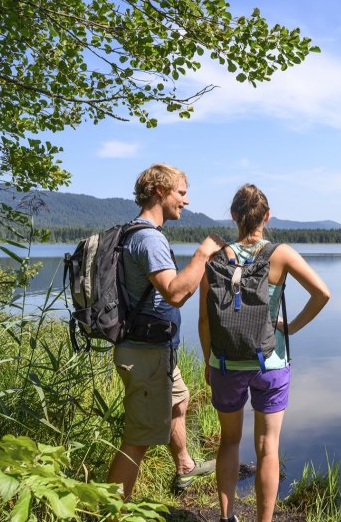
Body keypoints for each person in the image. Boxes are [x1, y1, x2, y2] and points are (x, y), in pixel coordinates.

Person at [198, 184, 330, 522]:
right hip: (270, 362)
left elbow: (204, 320)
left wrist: (208, 361)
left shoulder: (213, 255)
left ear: (233, 216)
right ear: (267, 217)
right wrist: (291, 327)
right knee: (268, 447)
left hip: (225, 361)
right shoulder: (280, 254)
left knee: (229, 442)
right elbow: (322, 294)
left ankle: (227, 517)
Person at [107, 163, 224, 499]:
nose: (185, 201)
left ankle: (184, 465)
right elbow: (174, 292)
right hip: (145, 356)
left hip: (155, 351)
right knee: (138, 440)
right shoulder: (148, 239)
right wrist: (202, 254)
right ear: (160, 191)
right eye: (181, 193)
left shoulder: (139, 232)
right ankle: (111, 512)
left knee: (179, 400)